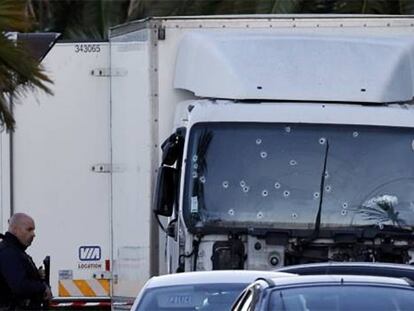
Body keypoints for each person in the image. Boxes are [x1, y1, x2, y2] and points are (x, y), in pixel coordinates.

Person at [0, 213, 52, 310]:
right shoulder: (8, 252)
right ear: (15, 230)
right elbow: (20, 286)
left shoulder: (15, 251)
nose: (33, 234)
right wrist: (42, 288)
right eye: (29, 229)